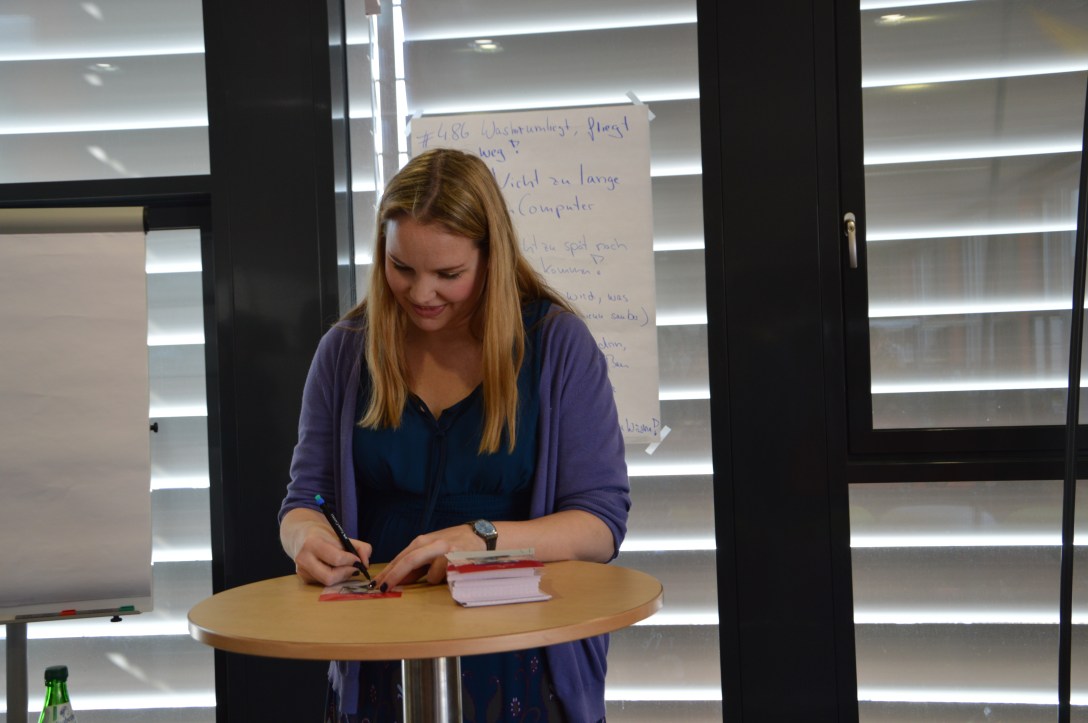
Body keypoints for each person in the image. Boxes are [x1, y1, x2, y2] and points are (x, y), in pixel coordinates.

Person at [278, 147, 630, 723]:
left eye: (448, 275)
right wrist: (306, 540)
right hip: (378, 653)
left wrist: (481, 539)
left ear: (492, 258)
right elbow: (305, 501)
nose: (421, 294)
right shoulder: (344, 351)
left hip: (524, 654)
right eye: (401, 267)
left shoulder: (558, 346)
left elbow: (599, 524)